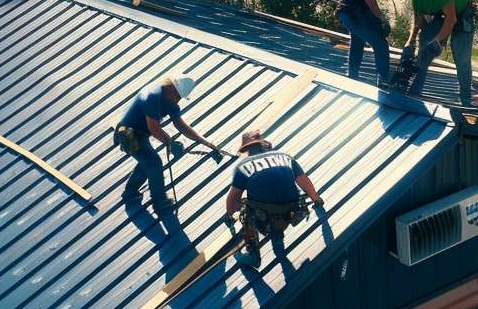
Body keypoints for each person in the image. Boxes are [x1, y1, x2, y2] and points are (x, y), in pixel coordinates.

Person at [113, 73, 221, 215]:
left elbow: (182, 126)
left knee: (147, 163)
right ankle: (160, 202)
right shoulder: (152, 95)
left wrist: (206, 142)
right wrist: (170, 142)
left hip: (140, 135)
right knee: (154, 163)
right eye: (177, 96)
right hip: (127, 133)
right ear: (170, 88)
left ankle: (130, 192)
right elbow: (153, 127)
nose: (177, 100)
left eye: (179, 98)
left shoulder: (170, 101)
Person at [225, 129, 323, 267]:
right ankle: (278, 231)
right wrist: (316, 198)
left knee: (244, 210)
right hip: (293, 207)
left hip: (266, 213)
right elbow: (303, 179)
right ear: (263, 144)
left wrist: (230, 217)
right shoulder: (285, 156)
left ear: (246, 149)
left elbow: (232, 198)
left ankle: (253, 254)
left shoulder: (243, 166)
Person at [396, 0, 475, 105]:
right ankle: (414, 94)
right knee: (424, 51)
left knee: (461, 56)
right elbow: (418, 21)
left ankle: (466, 99)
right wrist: (410, 40)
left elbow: (452, 19)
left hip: (463, 12)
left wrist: (438, 40)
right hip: (441, 14)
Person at [335, 0, 391, 86]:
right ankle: (384, 83)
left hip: (347, 14)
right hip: (353, 14)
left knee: (357, 42)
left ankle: (352, 77)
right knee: (381, 45)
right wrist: (381, 18)